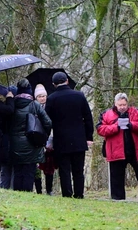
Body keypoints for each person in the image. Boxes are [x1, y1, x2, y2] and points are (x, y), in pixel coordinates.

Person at [97, 93, 138, 203]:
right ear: (115, 104)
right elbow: (100, 129)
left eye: (124, 104)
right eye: (120, 105)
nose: (122, 107)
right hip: (116, 151)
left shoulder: (136, 112)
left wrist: (132, 125)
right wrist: (116, 127)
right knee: (116, 177)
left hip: (135, 150)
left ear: (127, 104)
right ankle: (118, 198)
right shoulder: (106, 114)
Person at [45, 71, 94, 199]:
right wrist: (89, 137)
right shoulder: (79, 96)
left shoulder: (51, 99)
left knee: (64, 169)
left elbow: (46, 121)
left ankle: (67, 194)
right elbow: (88, 118)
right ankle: (79, 194)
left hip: (61, 139)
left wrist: (45, 138)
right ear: (67, 81)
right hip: (79, 138)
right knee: (78, 170)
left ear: (54, 84)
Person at [9, 79, 52, 192]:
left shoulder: (12, 105)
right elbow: (48, 123)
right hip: (32, 143)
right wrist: (43, 137)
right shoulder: (35, 105)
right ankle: (27, 193)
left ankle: (17, 194)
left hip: (14, 144)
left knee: (18, 171)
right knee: (29, 171)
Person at [33, 84, 55, 195]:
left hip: (49, 139)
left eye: (44, 96)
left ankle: (49, 189)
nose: (42, 98)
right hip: (37, 139)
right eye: (39, 96)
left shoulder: (51, 107)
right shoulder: (33, 107)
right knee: (36, 166)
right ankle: (38, 189)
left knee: (49, 166)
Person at [0, 84, 18, 189]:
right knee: (12, 168)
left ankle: (4, 188)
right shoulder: (14, 108)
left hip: (5, 142)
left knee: (5, 169)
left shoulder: (2, 108)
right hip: (13, 141)